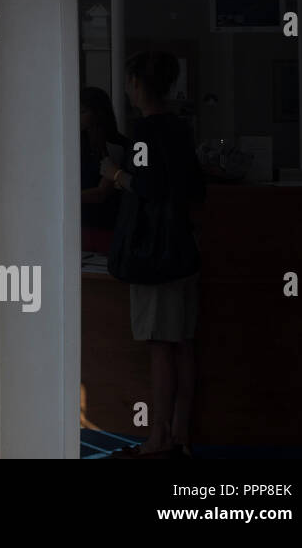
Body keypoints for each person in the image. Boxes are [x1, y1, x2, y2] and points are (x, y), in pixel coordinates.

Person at [104, 52, 205, 459]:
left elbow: (147, 186)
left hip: (155, 256)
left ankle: (158, 438)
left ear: (136, 84)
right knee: (182, 343)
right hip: (184, 250)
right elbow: (192, 188)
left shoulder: (146, 132)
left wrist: (115, 173)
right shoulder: (180, 129)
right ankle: (180, 431)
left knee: (161, 345)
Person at [80, 86, 127, 253]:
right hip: (81, 224)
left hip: (106, 226)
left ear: (98, 113)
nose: (78, 115)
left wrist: (66, 199)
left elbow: (101, 193)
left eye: (83, 111)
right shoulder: (77, 144)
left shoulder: (117, 145)